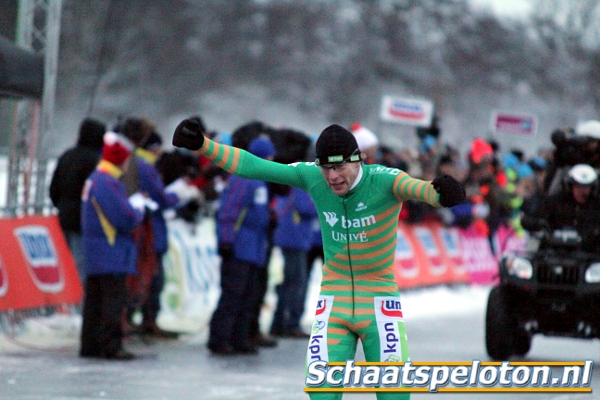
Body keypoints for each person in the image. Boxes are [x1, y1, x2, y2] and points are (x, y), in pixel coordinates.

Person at [173, 119, 465, 398]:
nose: (332, 177)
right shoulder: (313, 176)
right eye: (326, 169)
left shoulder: (385, 181)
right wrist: (203, 144)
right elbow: (254, 166)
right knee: (322, 392)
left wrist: (440, 193)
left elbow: (421, 190)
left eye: (339, 167)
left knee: (394, 393)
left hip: (378, 302)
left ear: (357, 159)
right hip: (334, 301)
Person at [208, 136, 277, 355]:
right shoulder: (243, 178)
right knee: (232, 295)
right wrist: (226, 240)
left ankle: (239, 337)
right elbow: (229, 211)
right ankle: (219, 339)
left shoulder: (260, 181)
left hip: (255, 248)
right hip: (239, 247)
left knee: (249, 296)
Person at [79, 132, 145, 360]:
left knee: (95, 302)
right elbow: (124, 217)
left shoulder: (97, 177)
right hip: (110, 251)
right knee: (112, 302)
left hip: (98, 251)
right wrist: (139, 208)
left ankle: (91, 345)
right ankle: (110, 346)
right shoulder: (107, 182)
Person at [50, 117, 106, 283]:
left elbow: (54, 189)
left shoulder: (67, 156)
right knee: (80, 263)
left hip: (63, 216)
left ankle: (63, 299)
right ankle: (78, 299)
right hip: (84, 220)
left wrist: (61, 205)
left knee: (63, 261)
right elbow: (97, 193)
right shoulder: (94, 161)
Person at [269, 186, 317, 338]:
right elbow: (306, 207)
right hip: (294, 239)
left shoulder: (295, 186)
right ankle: (289, 323)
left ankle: (281, 322)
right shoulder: (301, 186)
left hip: (294, 238)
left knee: (291, 281)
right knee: (296, 282)